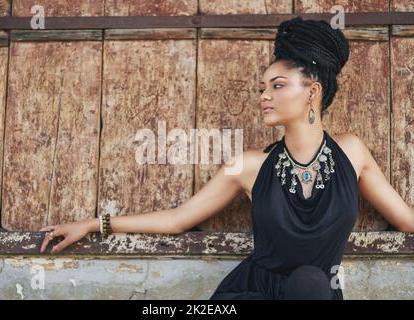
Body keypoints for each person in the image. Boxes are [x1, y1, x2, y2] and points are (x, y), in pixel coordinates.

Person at [39, 16, 414, 300]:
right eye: (262, 88)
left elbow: (406, 220)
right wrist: (93, 224)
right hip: (253, 293)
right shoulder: (248, 166)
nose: (264, 96)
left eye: (277, 85)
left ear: (312, 91)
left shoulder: (352, 152)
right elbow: (177, 219)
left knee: (311, 281)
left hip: (313, 293)